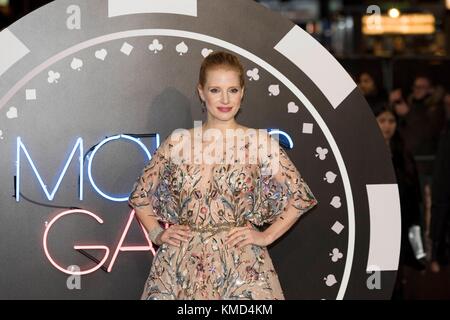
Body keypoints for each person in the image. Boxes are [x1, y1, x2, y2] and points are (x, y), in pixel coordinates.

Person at [128, 51, 318, 300]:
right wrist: (157, 234)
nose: (225, 99)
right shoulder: (178, 143)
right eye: (216, 90)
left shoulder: (259, 143)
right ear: (201, 92)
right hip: (180, 267)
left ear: (243, 92)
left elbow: (301, 197)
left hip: (241, 265)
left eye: (233, 90)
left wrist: (267, 235)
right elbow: (140, 197)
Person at [373, 104, 425, 298]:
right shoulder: (367, 153)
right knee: (377, 274)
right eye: (382, 120)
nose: (387, 126)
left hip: (401, 221)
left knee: (398, 272)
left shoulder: (403, 153)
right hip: (377, 223)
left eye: (391, 121)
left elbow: (413, 191)